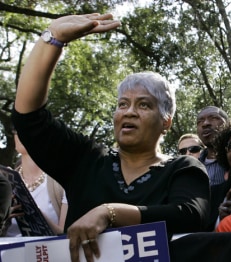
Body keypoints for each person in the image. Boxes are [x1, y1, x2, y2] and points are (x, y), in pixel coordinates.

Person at [11, 14, 210, 261]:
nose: (129, 111)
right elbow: (29, 119)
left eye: (144, 105)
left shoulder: (183, 167)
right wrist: (51, 40)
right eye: (123, 104)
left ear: (166, 122)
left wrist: (109, 212)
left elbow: (190, 214)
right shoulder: (87, 160)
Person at [4, 132, 68, 236]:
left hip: (44, 250)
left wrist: (33, 210)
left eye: (29, 127)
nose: (21, 131)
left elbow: (64, 235)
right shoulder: (5, 182)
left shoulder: (62, 182)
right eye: (17, 128)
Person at [196, 106, 228, 187]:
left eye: (213, 118)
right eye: (200, 121)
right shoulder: (194, 167)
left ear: (227, 124)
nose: (205, 123)